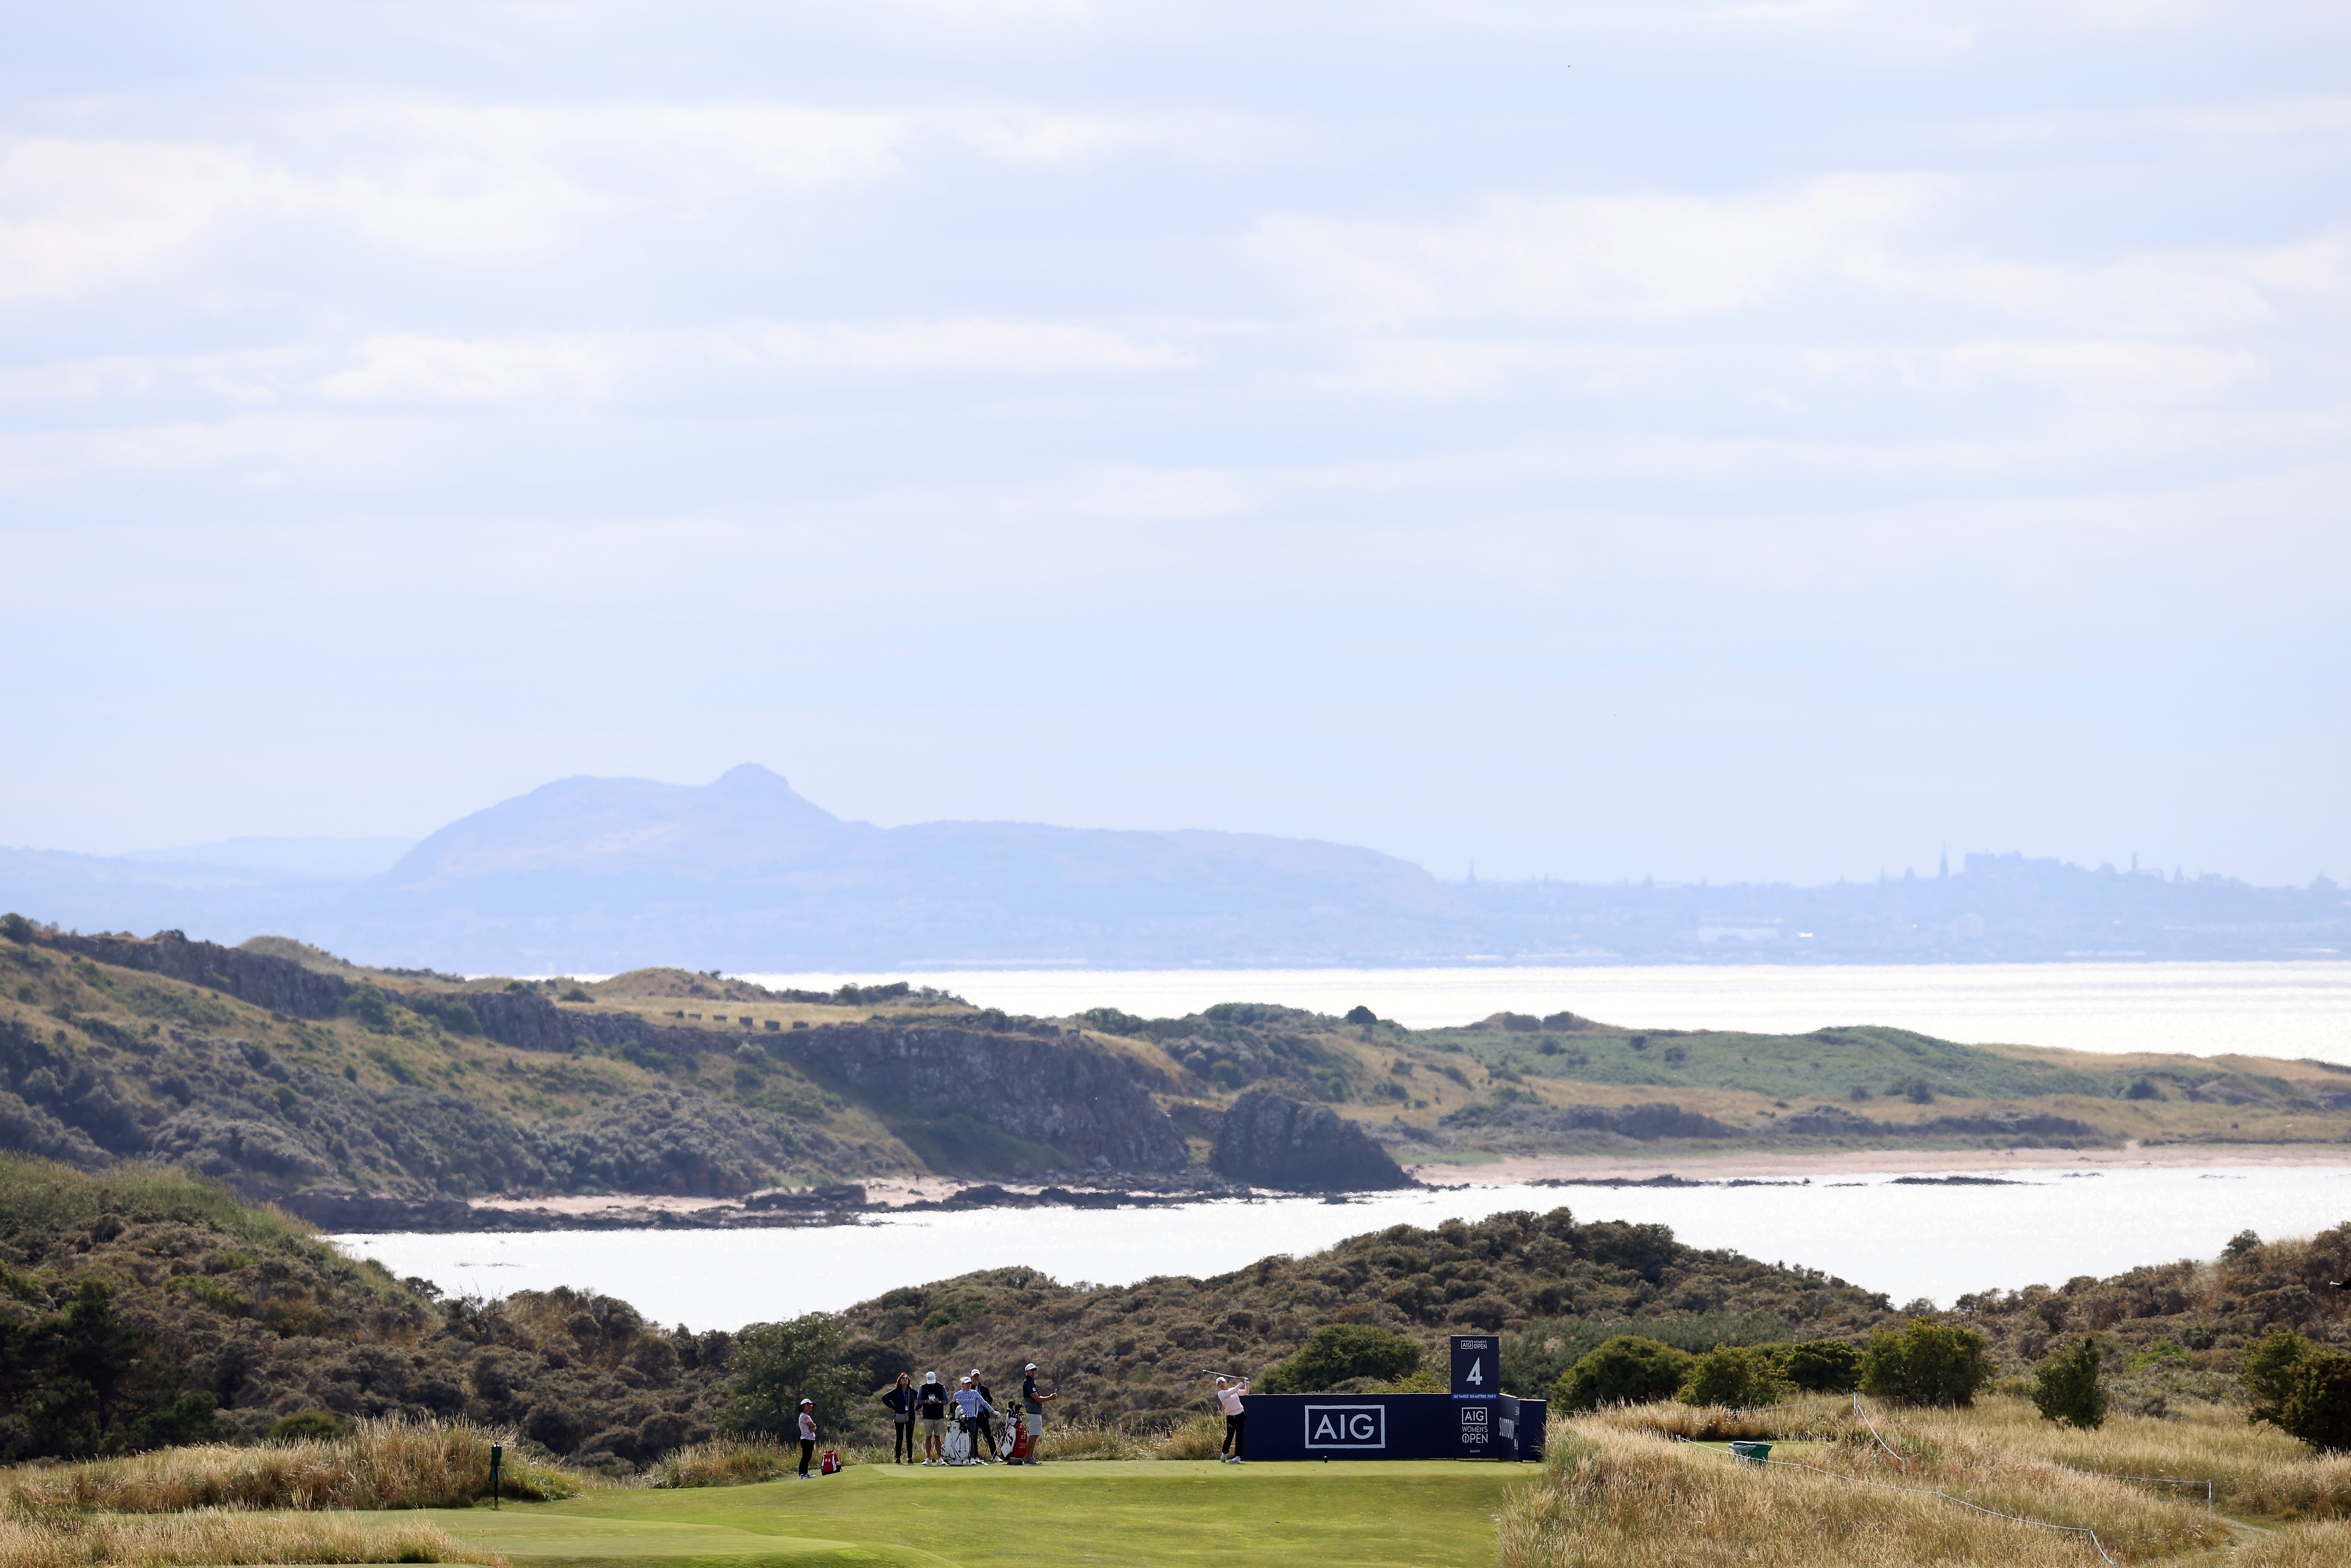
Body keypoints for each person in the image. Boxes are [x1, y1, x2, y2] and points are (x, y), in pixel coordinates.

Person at [951, 1375, 994, 1466]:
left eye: (970, 1384)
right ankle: (964, 1458)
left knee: (971, 1438)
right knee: (961, 1439)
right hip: (961, 1419)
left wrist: (993, 1411)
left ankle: (972, 1458)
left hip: (972, 1418)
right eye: (966, 1384)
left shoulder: (974, 1393)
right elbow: (953, 1407)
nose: (968, 1385)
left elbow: (983, 1402)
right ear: (962, 1385)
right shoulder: (957, 1394)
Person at [1019, 1362, 1057, 1461]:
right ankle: (1028, 1458)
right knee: (1033, 1436)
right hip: (1033, 1412)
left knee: (1035, 1435)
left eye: (1035, 1370)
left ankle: (1031, 1457)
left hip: (1035, 1412)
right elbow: (1037, 1399)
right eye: (1032, 1370)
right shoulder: (1029, 1384)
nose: (1034, 1372)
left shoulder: (1031, 1383)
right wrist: (1050, 1398)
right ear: (1027, 1372)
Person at [916, 1371, 951, 1466]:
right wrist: (926, 1402)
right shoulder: (923, 1388)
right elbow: (919, 1400)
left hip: (938, 1416)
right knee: (928, 1437)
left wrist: (939, 1402)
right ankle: (928, 1459)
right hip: (928, 1416)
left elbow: (946, 1401)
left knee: (938, 1437)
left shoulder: (941, 1387)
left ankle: (940, 1459)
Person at [880, 1372, 916, 1464]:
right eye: (903, 1378)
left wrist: (917, 1408)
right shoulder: (896, 1392)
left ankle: (910, 1458)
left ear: (909, 1381)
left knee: (909, 1438)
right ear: (900, 1381)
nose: (905, 1380)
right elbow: (885, 1398)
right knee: (900, 1437)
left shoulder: (911, 1392)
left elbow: (920, 1398)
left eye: (907, 1379)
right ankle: (898, 1458)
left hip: (910, 1417)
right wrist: (894, 1407)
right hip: (900, 1416)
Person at [967, 1367, 1000, 1462]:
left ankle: (995, 1456)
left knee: (989, 1435)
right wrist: (973, 1387)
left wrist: (985, 1404)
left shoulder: (984, 1389)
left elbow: (990, 1399)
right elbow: (968, 1397)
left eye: (978, 1376)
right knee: (974, 1436)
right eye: (974, 1376)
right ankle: (976, 1456)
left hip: (983, 1415)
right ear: (972, 1378)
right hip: (973, 1416)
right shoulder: (969, 1389)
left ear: (980, 1377)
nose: (976, 1378)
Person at [1215, 1375, 1249, 1463]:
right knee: (1230, 1436)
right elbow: (1232, 1392)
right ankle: (1224, 1454)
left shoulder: (1234, 1390)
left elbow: (1246, 1393)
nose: (1222, 1385)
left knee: (1239, 1436)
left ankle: (1238, 1457)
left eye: (1223, 1382)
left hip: (1241, 1415)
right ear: (1218, 1387)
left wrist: (1247, 1383)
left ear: (1226, 1383)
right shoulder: (1221, 1394)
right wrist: (1242, 1383)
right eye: (1219, 1384)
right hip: (1231, 1417)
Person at [796, 1398, 818, 1479]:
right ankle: (801, 1475)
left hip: (810, 1439)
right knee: (805, 1457)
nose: (810, 1407)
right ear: (803, 1407)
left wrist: (814, 1427)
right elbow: (813, 1426)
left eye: (811, 1406)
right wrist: (814, 1427)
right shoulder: (804, 1416)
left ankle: (805, 1473)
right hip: (807, 1439)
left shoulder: (806, 1416)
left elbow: (814, 1427)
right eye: (808, 1406)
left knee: (808, 1457)